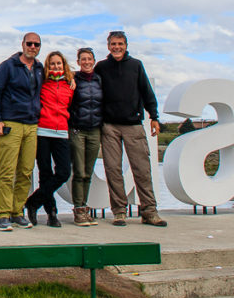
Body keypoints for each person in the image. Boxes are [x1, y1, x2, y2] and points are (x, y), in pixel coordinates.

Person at [95, 31, 167, 227]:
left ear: (126, 45)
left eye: (120, 44)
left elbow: (146, 92)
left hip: (134, 125)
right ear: (108, 46)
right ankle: (119, 212)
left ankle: (149, 211)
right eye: (113, 44)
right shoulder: (101, 67)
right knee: (113, 170)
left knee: (142, 170)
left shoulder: (136, 65)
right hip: (109, 126)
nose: (116, 47)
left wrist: (154, 116)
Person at [0, 32, 44, 231]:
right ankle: (2, 214)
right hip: (11, 123)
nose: (32, 46)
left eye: (36, 44)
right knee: (6, 171)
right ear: (22, 44)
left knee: (26, 171)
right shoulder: (8, 66)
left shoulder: (39, 68)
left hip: (32, 125)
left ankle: (17, 211)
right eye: (29, 43)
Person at [24, 51, 73, 227]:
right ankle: (52, 215)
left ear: (64, 65)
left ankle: (33, 202)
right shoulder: (41, 83)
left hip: (61, 133)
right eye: (52, 64)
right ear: (47, 66)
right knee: (45, 174)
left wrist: (72, 77)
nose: (56, 66)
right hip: (43, 131)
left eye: (59, 63)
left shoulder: (70, 85)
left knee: (63, 172)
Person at [68, 47, 103, 226]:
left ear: (94, 61)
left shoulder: (99, 79)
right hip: (77, 130)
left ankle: (84, 206)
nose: (87, 62)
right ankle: (78, 210)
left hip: (95, 130)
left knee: (88, 172)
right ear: (78, 61)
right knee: (79, 171)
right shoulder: (73, 79)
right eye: (83, 59)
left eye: (89, 59)